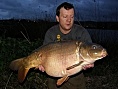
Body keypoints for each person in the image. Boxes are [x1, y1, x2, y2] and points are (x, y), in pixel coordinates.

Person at [41, 2, 94, 89]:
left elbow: (89, 52)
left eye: (72, 17)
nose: (69, 20)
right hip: (54, 76)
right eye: (65, 17)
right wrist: (42, 64)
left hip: (76, 77)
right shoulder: (51, 33)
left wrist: (90, 63)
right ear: (57, 18)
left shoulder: (81, 32)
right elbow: (43, 54)